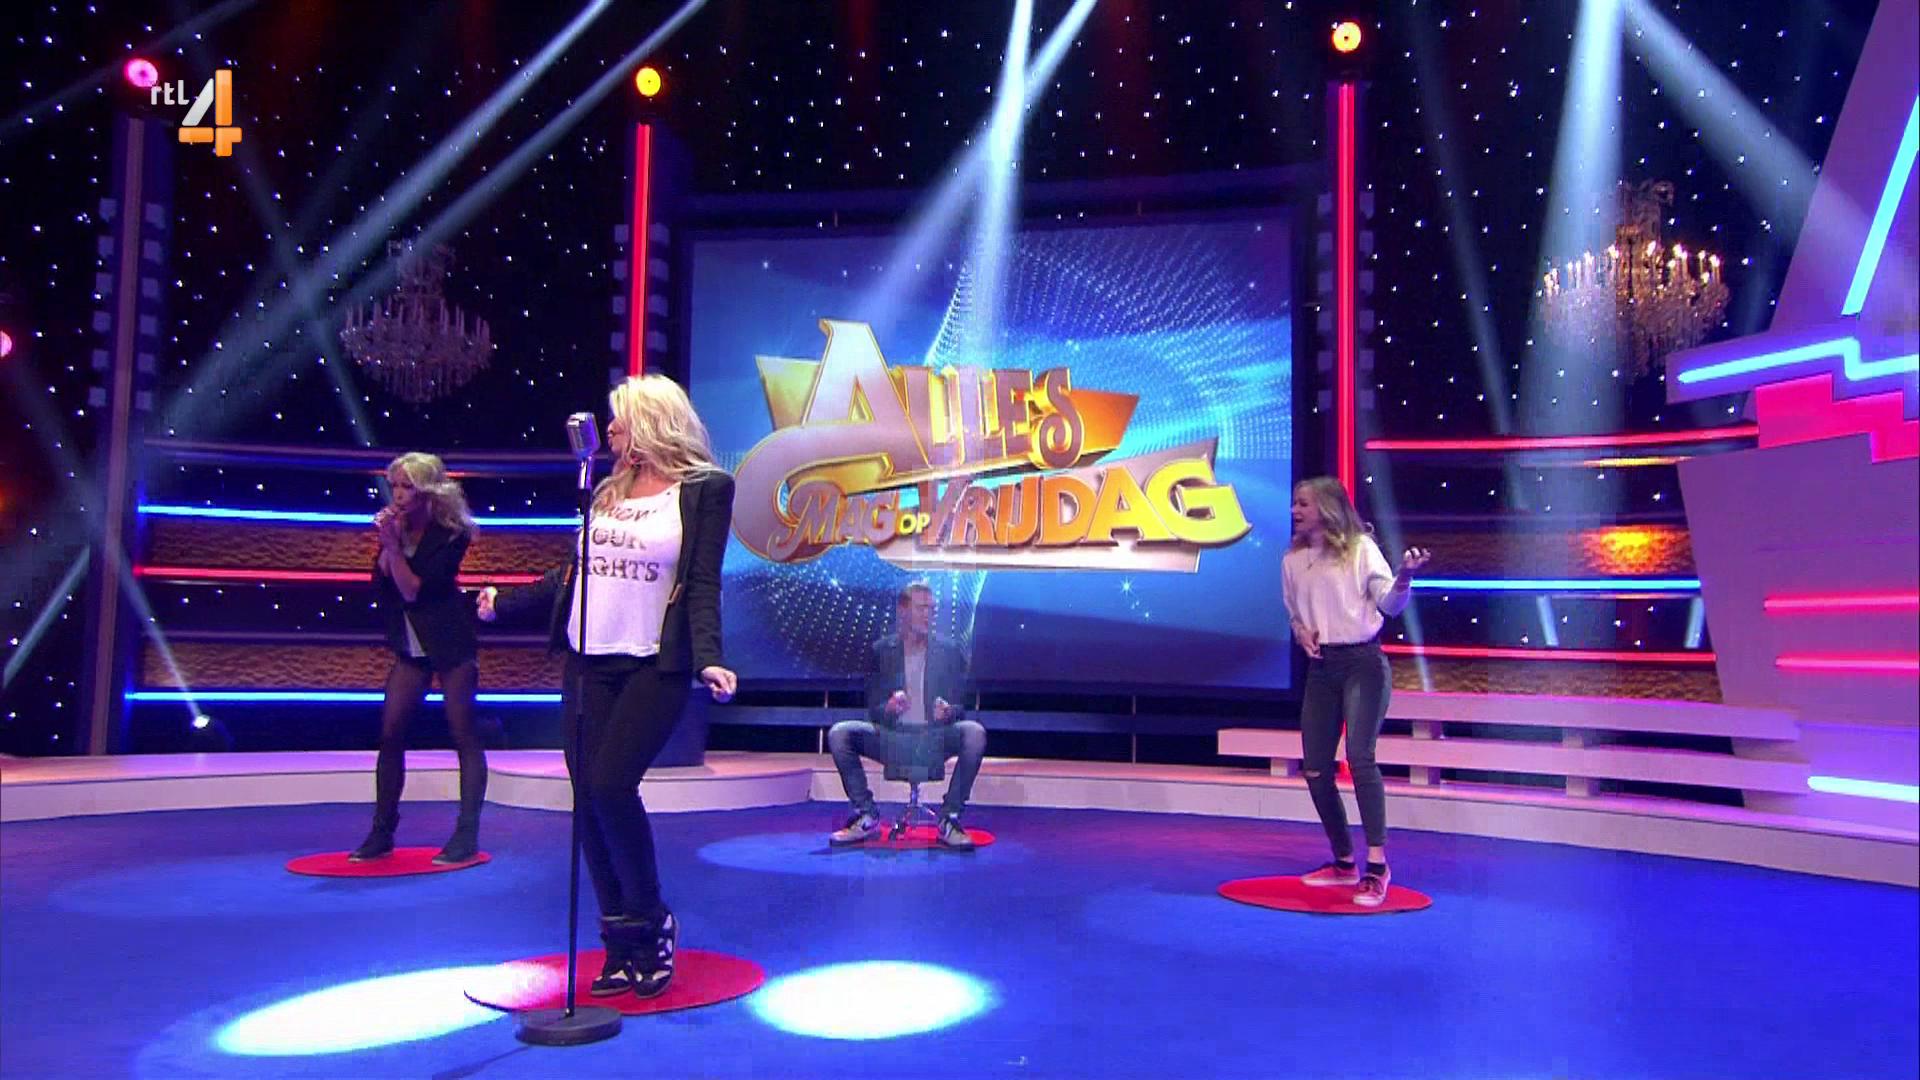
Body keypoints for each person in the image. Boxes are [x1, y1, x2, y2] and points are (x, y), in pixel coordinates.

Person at [477, 374, 737, 1000]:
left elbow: (702, 581)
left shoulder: (706, 489)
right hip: (587, 660)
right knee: (587, 800)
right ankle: (619, 940)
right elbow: (576, 574)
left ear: (652, 421)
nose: (610, 427)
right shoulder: (605, 490)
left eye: (620, 417)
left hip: (651, 663)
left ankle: (652, 923)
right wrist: (504, 602)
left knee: (610, 784)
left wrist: (709, 658)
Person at [1280, 476, 1430, 907]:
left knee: (1360, 758)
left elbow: (1389, 605)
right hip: (1321, 668)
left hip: (1363, 664)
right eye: (1294, 503)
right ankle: (1344, 860)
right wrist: (1301, 631)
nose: (1294, 511)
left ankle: (1377, 867)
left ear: (1327, 507)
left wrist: (1404, 577)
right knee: (1314, 768)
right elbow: (1293, 611)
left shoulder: (1361, 549)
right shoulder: (1293, 559)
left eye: (1303, 504)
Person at [352, 452, 487, 865]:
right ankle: (382, 831)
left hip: (450, 645)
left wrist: (394, 549)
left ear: (428, 492)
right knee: (391, 733)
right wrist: (387, 545)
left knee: (463, 734)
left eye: (407, 487)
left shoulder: (451, 535)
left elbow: (414, 590)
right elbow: (382, 586)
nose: (398, 495)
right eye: (395, 486)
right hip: (410, 647)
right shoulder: (397, 530)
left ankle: (465, 833)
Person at [825, 582, 985, 850]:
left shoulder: (948, 651)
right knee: (840, 733)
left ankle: (950, 818)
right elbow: (873, 709)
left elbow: (962, 707)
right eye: (921, 608)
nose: (928, 615)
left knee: (974, 733)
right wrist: (888, 708)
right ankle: (866, 815)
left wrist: (948, 711)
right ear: (903, 610)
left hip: (933, 738)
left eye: (931, 609)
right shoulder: (881, 651)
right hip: (893, 738)